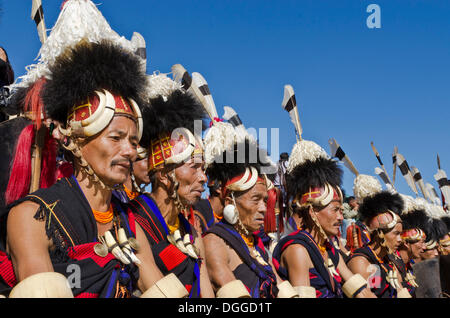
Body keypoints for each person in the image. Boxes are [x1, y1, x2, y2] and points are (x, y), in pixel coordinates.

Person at [0, 40, 169, 298]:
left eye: (134, 142)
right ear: (76, 141)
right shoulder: (31, 217)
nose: (130, 151)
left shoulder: (129, 221)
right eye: (116, 138)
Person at [127, 73, 215, 298]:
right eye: (194, 167)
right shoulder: (133, 219)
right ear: (165, 174)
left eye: (203, 169)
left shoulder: (192, 232)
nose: (204, 178)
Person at [272, 138, 375, 298]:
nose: (341, 217)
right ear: (312, 212)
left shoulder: (328, 248)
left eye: (342, 210)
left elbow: (362, 293)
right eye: (335, 210)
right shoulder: (298, 249)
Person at [203, 138, 286, 298]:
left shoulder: (257, 244)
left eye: (265, 200)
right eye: (256, 199)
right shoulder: (214, 243)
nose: (263, 208)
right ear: (230, 202)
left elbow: (281, 288)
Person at [346, 190, 412, 298]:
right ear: (379, 234)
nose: (400, 240)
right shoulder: (362, 262)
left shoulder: (387, 261)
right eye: (396, 234)